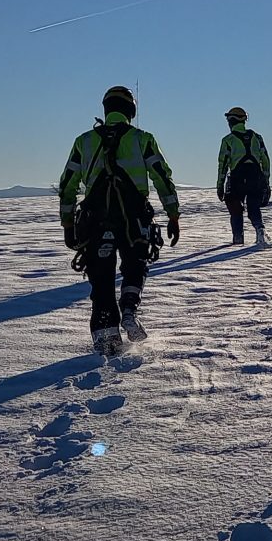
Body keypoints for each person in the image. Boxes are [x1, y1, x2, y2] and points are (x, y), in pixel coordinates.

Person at [58, 86, 181, 353]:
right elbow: (162, 177)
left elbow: (67, 183)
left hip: (95, 220)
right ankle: (129, 308)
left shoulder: (84, 141)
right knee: (135, 265)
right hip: (133, 218)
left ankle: (106, 337)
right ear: (131, 111)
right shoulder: (143, 139)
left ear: (106, 109)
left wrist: (68, 223)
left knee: (101, 278)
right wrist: (173, 215)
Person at [216, 106, 272, 245]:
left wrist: (220, 185)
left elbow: (222, 165)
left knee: (235, 209)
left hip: (237, 177)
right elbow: (265, 160)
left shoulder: (228, 140)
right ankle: (260, 230)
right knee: (254, 206)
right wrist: (265, 181)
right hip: (255, 176)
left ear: (231, 121)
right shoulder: (257, 138)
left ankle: (238, 239)